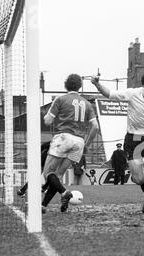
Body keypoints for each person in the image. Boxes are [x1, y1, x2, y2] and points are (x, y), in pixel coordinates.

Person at [91, 71, 144, 215]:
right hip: (133, 139)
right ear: (143, 84)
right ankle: (142, 179)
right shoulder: (132, 94)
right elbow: (110, 94)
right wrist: (97, 84)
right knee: (138, 179)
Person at [42, 74, 99, 214]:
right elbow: (95, 127)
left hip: (64, 137)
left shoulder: (60, 99)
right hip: (79, 142)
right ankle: (43, 205)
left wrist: (46, 115)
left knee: (47, 173)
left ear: (65, 85)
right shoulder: (86, 103)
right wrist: (87, 144)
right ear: (79, 86)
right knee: (58, 176)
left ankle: (64, 192)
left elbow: (48, 121)